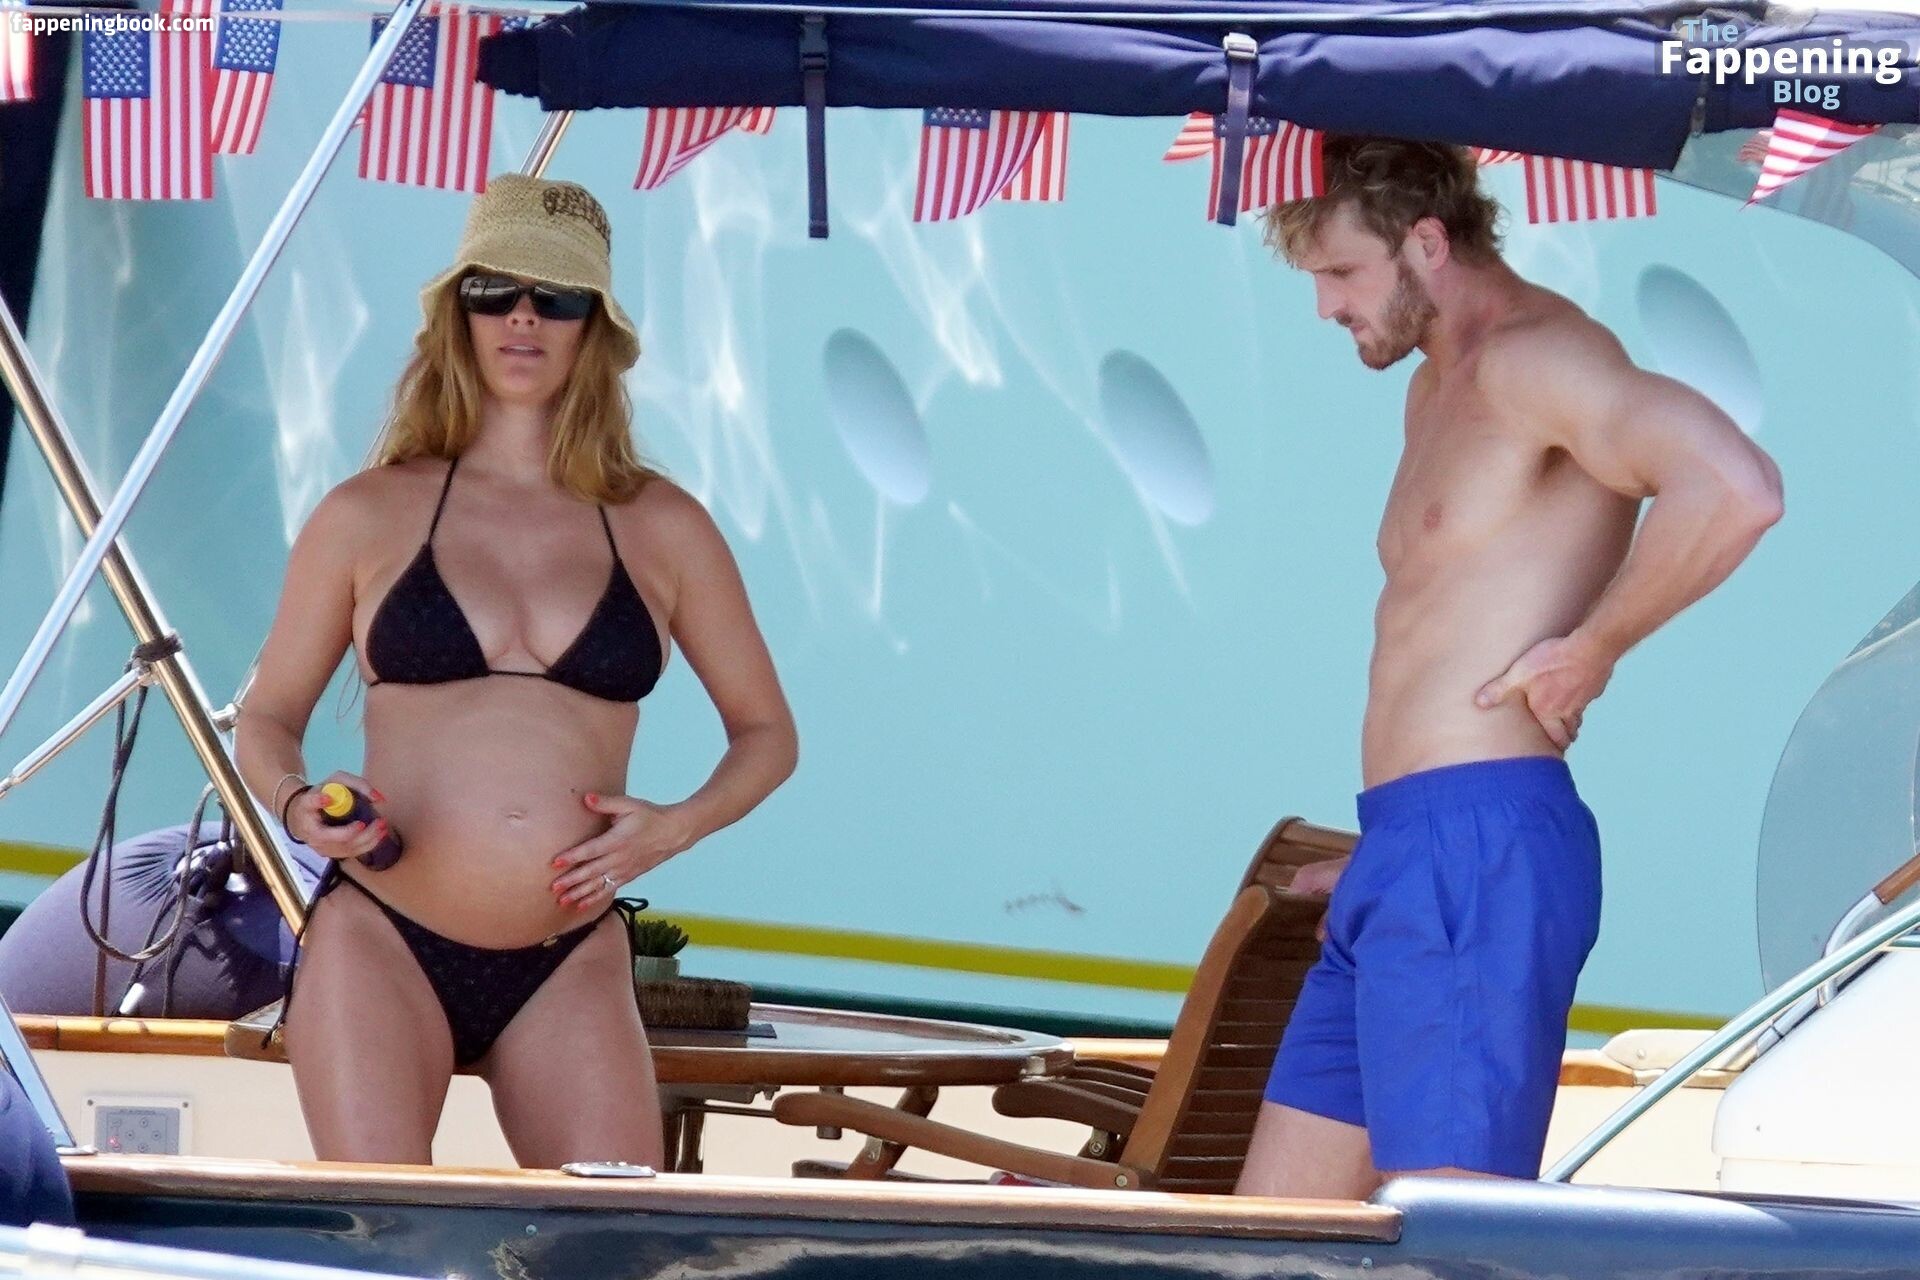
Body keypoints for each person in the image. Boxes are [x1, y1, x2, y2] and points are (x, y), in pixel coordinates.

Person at [1236, 137, 1782, 1197]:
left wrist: (1595, 648)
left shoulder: (1541, 359)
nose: (1326, 306)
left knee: (1448, 1233)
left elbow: (1737, 487)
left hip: (1477, 855)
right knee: (1272, 1236)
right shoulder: (1436, 386)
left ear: (1427, 243)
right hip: (1413, 848)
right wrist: (1396, 851)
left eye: (1342, 272)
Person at [235, 176, 797, 1168]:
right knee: (388, 1231)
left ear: (596, 329)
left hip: (566, 954)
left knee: (610, 1235)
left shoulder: (664, 526)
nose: (523, 316)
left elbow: (767, 735)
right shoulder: (367, 512)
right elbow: (266, 715)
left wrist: (673, 827)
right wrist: (297, 804)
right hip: (384, 934)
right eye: (494, 291)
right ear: (460, 315)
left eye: (557, 296)